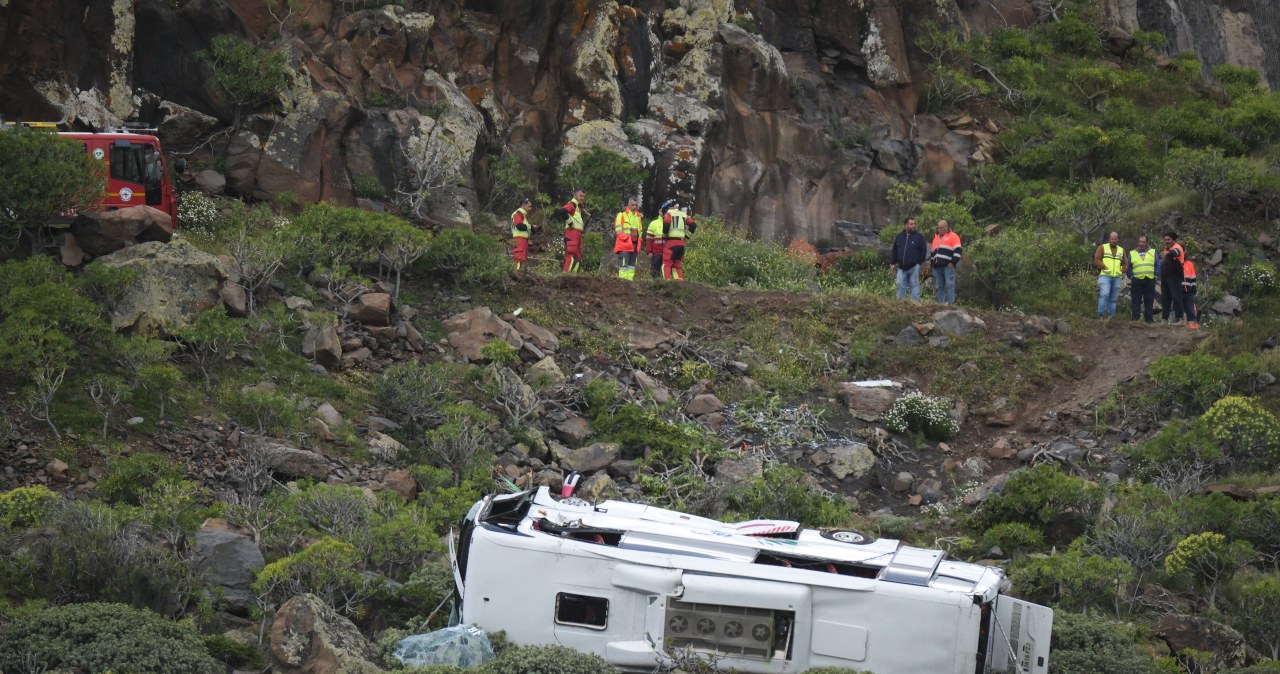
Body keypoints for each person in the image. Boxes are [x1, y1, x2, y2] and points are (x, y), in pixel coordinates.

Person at [890, 217, 928, 301]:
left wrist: (919, 262)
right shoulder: (899, 237)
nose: (914, 225)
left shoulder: (919, 237)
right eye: (911, 224)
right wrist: (893, 263)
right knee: (900, 285)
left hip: (914, 267)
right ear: (906, 225)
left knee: (914, 285)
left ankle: (915, 305)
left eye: (914, 224)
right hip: (901, 267)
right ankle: (900, 303)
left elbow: (924, 250)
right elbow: (895, 250)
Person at [1094, 231, 1126, 319]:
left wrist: (1122, 270)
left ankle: (1111, 317)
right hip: (1105, 276)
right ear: (1109, 239)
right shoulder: (1102, 247)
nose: (1114, 240)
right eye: (1112, 239)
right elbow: (1096, 259)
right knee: (1104, 295)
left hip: (1117, 277)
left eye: (1115, 239)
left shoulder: (1121, 250)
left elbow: (1125, 263)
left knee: (1113, 299)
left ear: (1117, 239)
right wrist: (1104, 267)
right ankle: (1100, 316)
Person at [1127, 234, 1159, 323]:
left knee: (1149, 300)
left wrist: (1156, 275)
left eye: (1144, 242)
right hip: (1137, 279)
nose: (1142, 244)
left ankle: (1149, 320)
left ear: (1147, 243)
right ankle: (1135, 319)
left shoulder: (1153, 252)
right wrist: (1132, 276)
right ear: (1138, 242)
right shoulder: (1132, 253)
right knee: (1136, 300)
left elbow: (1157, 265)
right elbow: (1128, 266)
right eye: (1140, 242)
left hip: (1150, 279)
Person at [930, 219, 962, 304]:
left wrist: (952, 262)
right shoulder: (935, 238)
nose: (939, 229)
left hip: (948, 266)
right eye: (938, 228)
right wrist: (932, 263)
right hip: (937, 267)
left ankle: (950, 303)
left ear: (946, 227)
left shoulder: (953, 236)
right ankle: (940, 303)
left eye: (941, 227)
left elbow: (958, 251)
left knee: (949, 285)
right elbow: (932, 253)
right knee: (939, 286)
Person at [662, 201, 695, 281]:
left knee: (666, 264)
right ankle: (680, 284)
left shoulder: (669, 213)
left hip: (671, 243)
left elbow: (666, 226)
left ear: (670, 207)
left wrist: (664, 236)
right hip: (681, 244)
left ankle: (667, 283)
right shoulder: (683, 214)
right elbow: (693, 225)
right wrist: (687, 236)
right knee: (677, 265)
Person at [613, 196, 642, 280]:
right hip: (625, 245)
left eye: (636, 205)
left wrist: (638, 242)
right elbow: (618, 230)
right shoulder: (621, 215)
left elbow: (639, 231)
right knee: (623, 266)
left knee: (631, 266)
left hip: (635, 245)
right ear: (628, 204)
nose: (634, 207)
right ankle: (623, 283)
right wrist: (626, 239)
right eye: (632, 205)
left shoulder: (638, 216)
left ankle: (630, 282)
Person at [1160, 231, 1186, 323]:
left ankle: (1179, 318)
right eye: (1165, 239)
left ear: (1173, 240)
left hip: (1175, 276)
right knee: (1165, 298)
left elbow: (1176, 253)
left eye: (1169, 239)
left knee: (1176, 296)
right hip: (1165, 277)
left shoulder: (1177, 247)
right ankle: (1164, 318)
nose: (1167, 241)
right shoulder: (1166, 249)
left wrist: (1168, 253)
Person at [559, 189, 586, 273]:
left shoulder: (578, 207)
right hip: (572, 233)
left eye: (583, 196)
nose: (582, 198)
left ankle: (574, 277)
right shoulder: (572, 204)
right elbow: (562, 210)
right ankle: (565, 276)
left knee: (578, 257)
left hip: (577, 233)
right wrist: (570, 223)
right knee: (571, 254)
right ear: (575, 196)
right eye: (580, 196)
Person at [641, 206, 666, 279]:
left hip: (667, 252)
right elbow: (649, 238)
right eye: (662, 210)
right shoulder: (653, 223)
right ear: (659, 211)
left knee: (666, 273)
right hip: (656, 253)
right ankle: (654, 287)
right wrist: (649, 252)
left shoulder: (669, 223)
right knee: (654, 272)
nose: (663, 212)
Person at [510, 196, 532, 271]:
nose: (530, 209)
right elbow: (519, 226)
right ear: (524, 205)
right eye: (529, 206)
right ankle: (516, 274)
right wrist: (529, 226)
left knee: (522, 259)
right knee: (518, 258)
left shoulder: (523, 215)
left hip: (522, 239)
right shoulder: (518, 214)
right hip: (519, 239)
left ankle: (521, 275)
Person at [1182, 255, 1199, 329]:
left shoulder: (1189, 264)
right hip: (1178, 290)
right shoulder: (1176, 263)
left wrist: (1194, 289)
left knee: (1191, 308)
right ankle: (1178, 325)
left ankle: (1193, 325)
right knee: (1177, 308)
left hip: (1189, 291)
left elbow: (1193, 277)